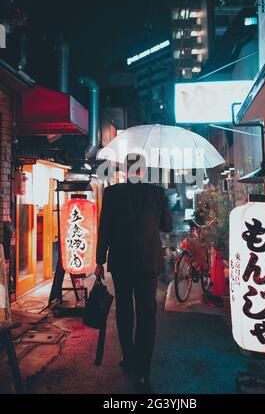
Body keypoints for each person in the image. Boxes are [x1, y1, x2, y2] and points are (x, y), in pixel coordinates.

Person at [95, 154, 173, 393]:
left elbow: (104, 228)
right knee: (147, 315)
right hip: (148, 264)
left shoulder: (112, 193)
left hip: (121, 263)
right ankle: (143, 370)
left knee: (125, 311)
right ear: (144, 170)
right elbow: (167, 227)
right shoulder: (157, 194)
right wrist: (162, 204)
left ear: (125, 170)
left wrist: (99, 260)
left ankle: (128, 358)